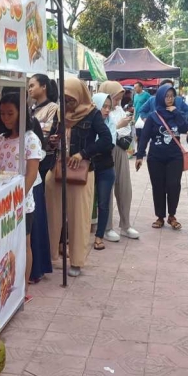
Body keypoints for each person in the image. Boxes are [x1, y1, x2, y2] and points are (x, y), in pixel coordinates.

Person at [45, 78, 113, 276]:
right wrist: (52, 140)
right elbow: (51, 137)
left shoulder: (91, 113)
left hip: (81, 171)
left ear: (80, 96)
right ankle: (51, 255)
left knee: (79, 216)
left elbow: (107, 140)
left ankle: (76, 261)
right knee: (52, 212)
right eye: (64, 99)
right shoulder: (59, 112)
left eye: (71, 100)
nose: (67, 104)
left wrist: (83, 153)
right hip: (58, 168)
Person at [0, 94, 47, 295]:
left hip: (23, 203)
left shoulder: (31, 139)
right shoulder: (1, 139)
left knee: (24, 243)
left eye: (11, 113)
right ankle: (7, 288)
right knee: (6, 245)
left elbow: (32, 174)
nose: (6, 118)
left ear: (21, 114)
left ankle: (23, 288)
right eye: (2, 113)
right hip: (2, 204)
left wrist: (17, 198)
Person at [135, 84, 188, 230]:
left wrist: (177, 113)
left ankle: (172, 215)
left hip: (175, 157)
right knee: (158, 187)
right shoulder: (153, 117)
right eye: (167, 96)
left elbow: (185, 128)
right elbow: (144, 137)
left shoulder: (177, 114)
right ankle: (160, 216)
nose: (170, 99)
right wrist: (140, 155)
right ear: (160, 97)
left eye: (172, 96)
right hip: (156, 158)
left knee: (173, 185)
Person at [98, 81, 139, 241]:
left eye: (119, 99)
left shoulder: (119, 110)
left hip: (121, 149)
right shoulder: (98, 110)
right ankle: (107, 228)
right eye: (115, 99)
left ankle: (125, 224)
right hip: (107, 151)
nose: (117, 103)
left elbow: (125, 130)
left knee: (124, 188)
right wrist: (118, 125)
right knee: (106, 190)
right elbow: (102, 132)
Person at [90, 93, 117, 250]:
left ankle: (99, 236)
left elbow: (109, 145)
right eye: (104, 106)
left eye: (109, 107)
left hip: (106, 167)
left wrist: (91, 149)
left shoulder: (110, 123)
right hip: (88, 167)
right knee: (84, 203)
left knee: (103, 203)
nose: (107, 110)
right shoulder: (88, 122)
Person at [28, 74, 60, 180]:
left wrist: (37, 128)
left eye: (32, 86)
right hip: (30, 156)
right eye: (29, 87)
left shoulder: (53, 107)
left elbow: (47, 132)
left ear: (43, 87)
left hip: (46, 158)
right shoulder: (30, 109)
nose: (29, 89)